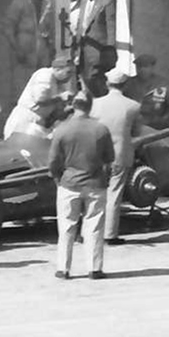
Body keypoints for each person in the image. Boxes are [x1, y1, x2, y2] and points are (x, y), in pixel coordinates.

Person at [47, 91, 114, 280]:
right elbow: (109, 159)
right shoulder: (101, 129)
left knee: (67, 227)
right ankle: (95, 269)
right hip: (95, 184)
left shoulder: (62, 130)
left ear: (73, 106)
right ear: (90, 106)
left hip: (69, 183)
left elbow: (53, 161)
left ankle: (63, 269)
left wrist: (58, 178)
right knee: (94, 227)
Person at [91, 66, 145, 245]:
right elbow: (137, 132)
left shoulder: (95, 104)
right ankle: (110, 234)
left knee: (94, 193)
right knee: (114, 194)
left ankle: (90, 232)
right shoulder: (133, 106)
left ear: (107, 83)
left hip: (97, 155)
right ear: (125, 84)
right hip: (121, 154)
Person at [2, 0, 56, 95]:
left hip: (42, 54)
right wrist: (17, 50)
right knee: (22, 90)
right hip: (23, 55)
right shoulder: (19, 2)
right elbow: (8, 28)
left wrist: (51, 48)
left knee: (42, 88)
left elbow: (49, 28)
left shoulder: (47, 3)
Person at [69, 0, 117, 97]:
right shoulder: (84, 1)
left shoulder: (107, 1)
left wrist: (109, 53)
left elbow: (111, 29)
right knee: (86, 81)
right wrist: (76, 48)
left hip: (99, 54)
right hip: (84, 52)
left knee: (98, 84)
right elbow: (81, 25)